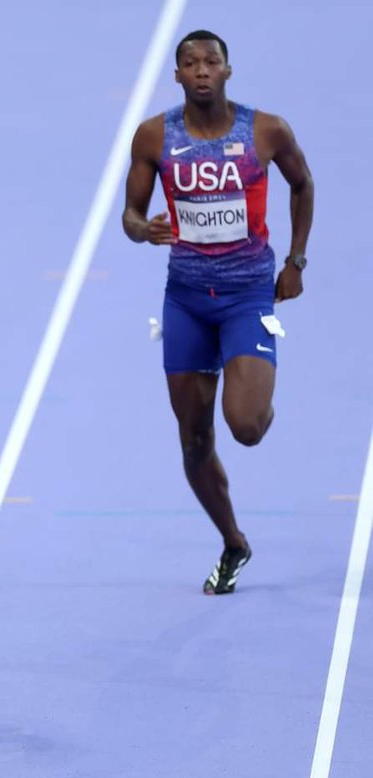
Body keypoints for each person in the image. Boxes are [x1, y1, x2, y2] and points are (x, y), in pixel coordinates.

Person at [122, 31, 313, 594]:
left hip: (247, 295)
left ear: (228, 71)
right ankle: (233, 542)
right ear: (177, 76)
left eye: (211, 61)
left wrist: (296, 260)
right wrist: (145, 230)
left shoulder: (266, 131)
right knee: (194, 443)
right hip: (185, 300)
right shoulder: (154, 136)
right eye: (190, 63)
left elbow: (302, 185)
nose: (201, 69)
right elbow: (130, 216)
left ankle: (254, 381)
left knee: (246, 426)